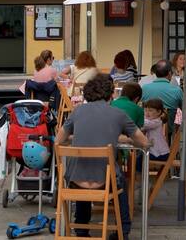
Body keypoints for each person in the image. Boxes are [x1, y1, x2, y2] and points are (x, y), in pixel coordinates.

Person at [54, 74, 149, 239]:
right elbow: (144, 142)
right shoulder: (118, 114)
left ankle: (81, 228)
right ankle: (122, 231)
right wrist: (119, 137)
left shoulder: (77, 111)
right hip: (105, 183)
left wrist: (77, 137)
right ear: (111, 94)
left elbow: (58, 140)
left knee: (83, 168)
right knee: (121, 181)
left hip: (75, 181)